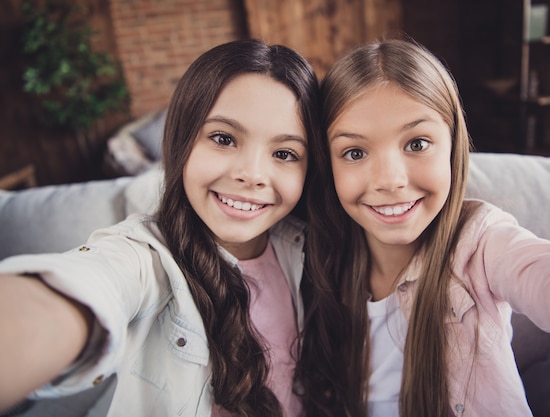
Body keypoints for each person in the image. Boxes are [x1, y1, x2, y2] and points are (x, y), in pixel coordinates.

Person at [297, 38, 550, 417]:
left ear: (453, 148)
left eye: (417, 144)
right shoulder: (318, 253)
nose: (389, 180)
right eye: (355, 153)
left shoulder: (481, 244)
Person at [0, 38, 322, 417]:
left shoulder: (302, 245)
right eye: (223, 138)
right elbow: (85, 286)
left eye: (284, 153)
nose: (251, 174)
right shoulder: (146, 259)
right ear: (181, 142)